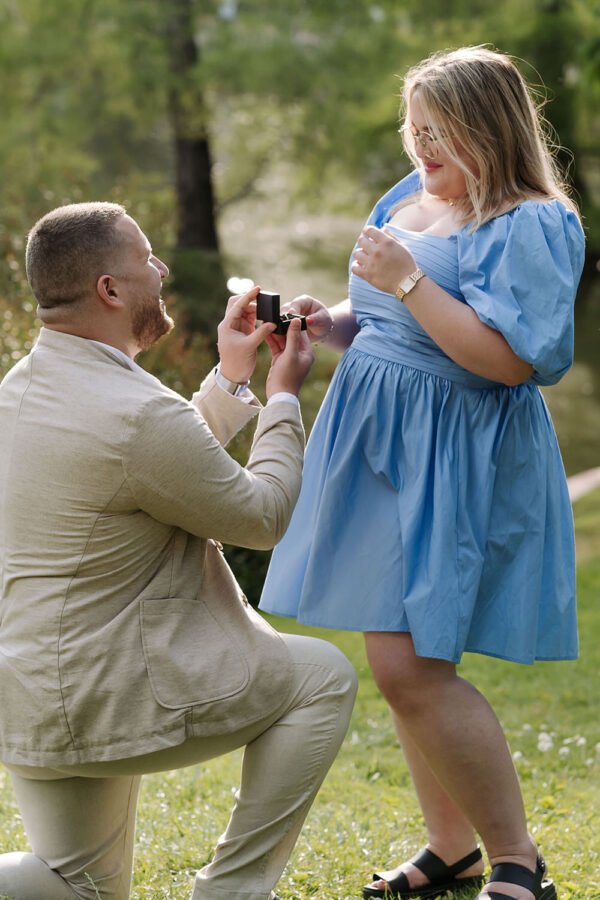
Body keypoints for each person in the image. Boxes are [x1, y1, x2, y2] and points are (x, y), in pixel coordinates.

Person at [259, 47, 585, 900]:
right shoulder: (410, 198)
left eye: (439, 134)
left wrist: (406, 284)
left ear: (489, 128)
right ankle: (453, 847)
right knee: (399, 658)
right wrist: (316, 322)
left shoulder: (533, 223)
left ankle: (517, 861)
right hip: (378, 446)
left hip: (454, 452)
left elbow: (511, 361)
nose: (420, 149)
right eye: (414, 131)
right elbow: (372, 314)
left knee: (412, 666)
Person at [0, 202, 357, 900]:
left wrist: (231, 378)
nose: (161, 270)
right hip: (107, 692)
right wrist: (282, 397)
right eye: (147, 259)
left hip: (30, 697)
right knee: (323, 677)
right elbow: (261, 517)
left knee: (77, 890)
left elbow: (152, 464)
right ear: (110, 289)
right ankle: (229, 891)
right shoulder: (134, 413)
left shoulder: (22, 389)